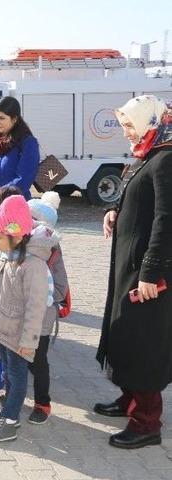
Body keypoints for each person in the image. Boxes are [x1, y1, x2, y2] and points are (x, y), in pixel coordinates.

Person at [96, 95, 172, 449]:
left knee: (143, 342)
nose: (125, 132)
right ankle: (129, 400)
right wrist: (115, 210)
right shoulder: (148, 153)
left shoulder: (166, 158)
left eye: (129, 124)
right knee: (123, 332)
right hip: (129, 264)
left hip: (147, 271)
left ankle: (147, 422)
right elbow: (136, 196)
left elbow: (166, 220)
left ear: (150, 121)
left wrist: (152, 271)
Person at [0, 195, 51, 443]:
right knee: (8, 373)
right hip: (4, 331)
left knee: (17, 376)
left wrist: (29, 340)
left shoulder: (33, 265)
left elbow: (36, 306)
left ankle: (9, 421)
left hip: (19, 336)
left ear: (17, 236)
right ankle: (7, 411)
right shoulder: (5, 257)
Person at [27, 191, 69, 425]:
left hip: (42, 317)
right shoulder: (18, 247)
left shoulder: (53, 252)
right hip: (20, 314)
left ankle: (43, 402)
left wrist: (43, 291)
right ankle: (11, 395)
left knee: (38, 360)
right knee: (16, 360)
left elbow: (61, 289)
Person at [0, 96, 40, 200]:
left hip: (15, 205)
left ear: (15, 119)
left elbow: (23, 180)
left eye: (2, 118)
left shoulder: (28, 143)